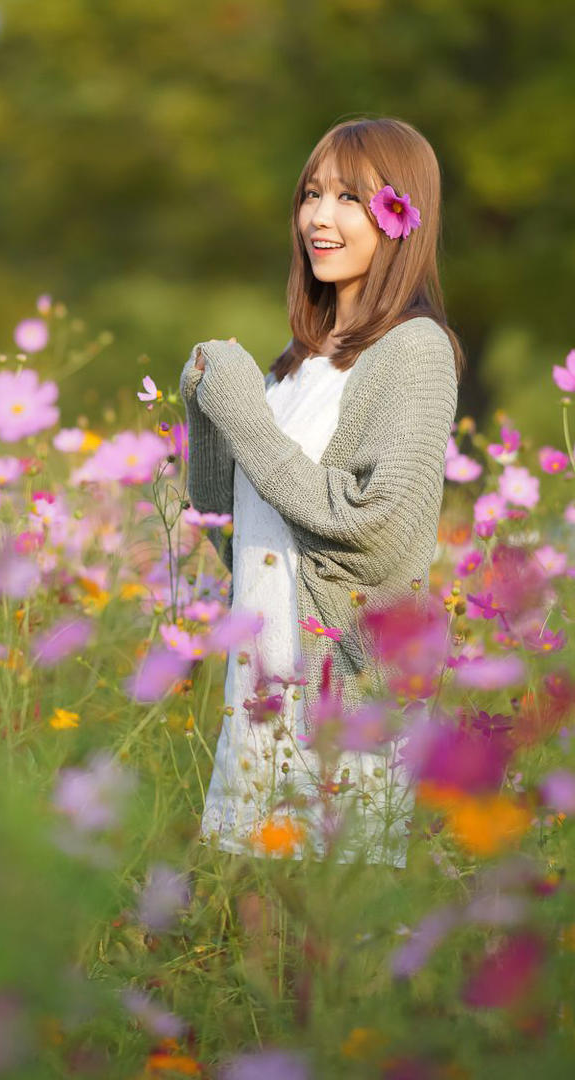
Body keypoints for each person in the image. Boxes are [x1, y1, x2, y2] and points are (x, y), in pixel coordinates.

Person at [179, 117, 466, 873]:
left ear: (401, 218)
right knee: (257, 940)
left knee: (334, 955)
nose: (319, 216)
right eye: (312, 193)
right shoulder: (295, 367)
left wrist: (240, 410)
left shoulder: (415, 352)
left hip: (344, 690)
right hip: (264, 689)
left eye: (349, 197)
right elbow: (237, 530)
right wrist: (207, 408)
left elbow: (371, 523)